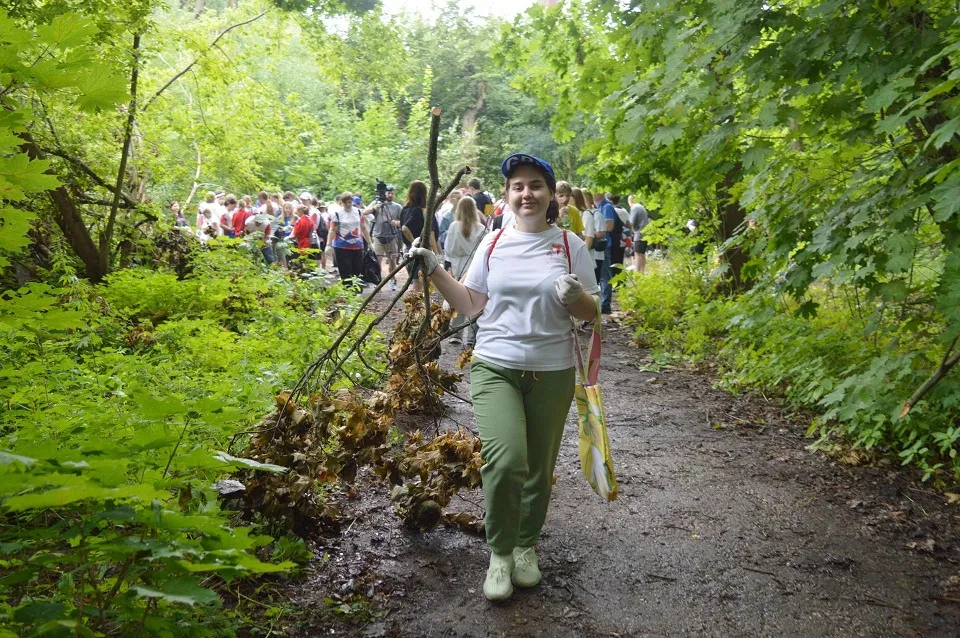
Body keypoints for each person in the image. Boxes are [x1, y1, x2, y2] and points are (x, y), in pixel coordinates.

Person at [408, 153, 599, 602]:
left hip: (552, 370)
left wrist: (575, 298)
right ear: (508, 196)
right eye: (517, 186)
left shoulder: (571, 246)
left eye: (535, 185)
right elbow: (470, 303)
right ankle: (499, 553)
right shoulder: (493, 243)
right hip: (495, 364)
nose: (526, 193)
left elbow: (592, 314)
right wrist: (435, 268)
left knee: (538, 467)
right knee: (507, 459)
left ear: (551, 195)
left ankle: (525, 546)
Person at [443, 196, 486, 346]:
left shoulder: (454, 226)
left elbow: (448, 248)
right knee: (476, 300)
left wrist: (449, 266)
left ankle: (455, 333)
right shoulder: (481, 228)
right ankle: (472, 335)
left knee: (458, 298)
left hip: (458, 266)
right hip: (475, 267)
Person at [400, 180, 440, 294]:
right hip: (419, 251)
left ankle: (417, 308)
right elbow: (405, 228)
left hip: (408, 250)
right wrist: (415, 243)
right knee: (421, 284)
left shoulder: (405, 209)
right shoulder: (420, 211)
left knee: (416, 282)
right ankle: (420, 309)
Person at [327, 192, 371, 291]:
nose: (348, 204)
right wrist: (328, 244)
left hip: (357, 245)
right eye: (346, 202)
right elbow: (333, 229)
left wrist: (369, 242)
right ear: (342, 202)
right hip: (341, 246)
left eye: (350, 202)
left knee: (357, 269)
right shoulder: (337, 214)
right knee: (345, 270)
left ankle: (356, 290)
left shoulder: (358, 212)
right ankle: (348, 291)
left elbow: (363, 228)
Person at [364, 185, 403, 290]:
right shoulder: (376, 203)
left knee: (392, 260)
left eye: (392, 193)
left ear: (394, 194)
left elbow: (404, 221)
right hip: (377, 236)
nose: (390, 195)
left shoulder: (397, 207)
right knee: (378, 261)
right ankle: (378, 281)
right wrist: (374, 208)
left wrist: (396, 223)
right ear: (384, 193)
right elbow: (364, 212)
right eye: (388, 193)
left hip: (392, 236)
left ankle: (393, 280)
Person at [593, 191, 617, 314]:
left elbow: (609, 226)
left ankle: (606, 303)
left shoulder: (607, 207)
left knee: (605, 274)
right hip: (599, 245)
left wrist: (595, 228)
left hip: (604, 245)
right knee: (601, 274)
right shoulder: (598, 206)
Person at [629, 197, 650, 274]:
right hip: (645, 233)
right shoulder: (641, 207)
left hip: (639, 233)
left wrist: (629, 235)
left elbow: (631, 223)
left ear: (630, 201)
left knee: (637, 253)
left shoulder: (635, 208)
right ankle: (642, 272)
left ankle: (637, 273)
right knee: (642, 253)